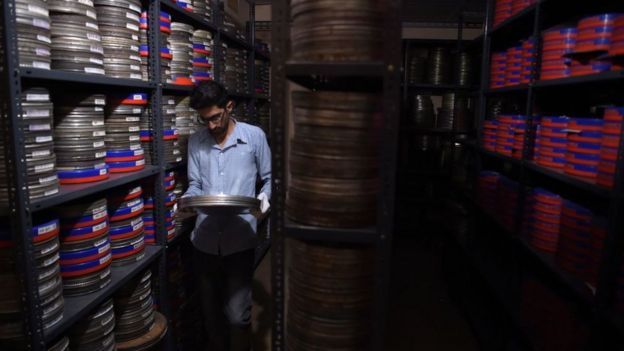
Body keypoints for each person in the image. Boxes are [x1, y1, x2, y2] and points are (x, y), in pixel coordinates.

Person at [183, 80, 271, 351]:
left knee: (236, 315)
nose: (210, 126)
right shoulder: (196, 142)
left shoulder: (254, 136)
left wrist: (265, 199)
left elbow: (269, 178)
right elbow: (196, 183)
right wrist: (188, 200)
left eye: (215, 117)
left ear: (229, 107)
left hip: (240, 239)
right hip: (205, 240)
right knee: (211, 315)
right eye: (204, 120)